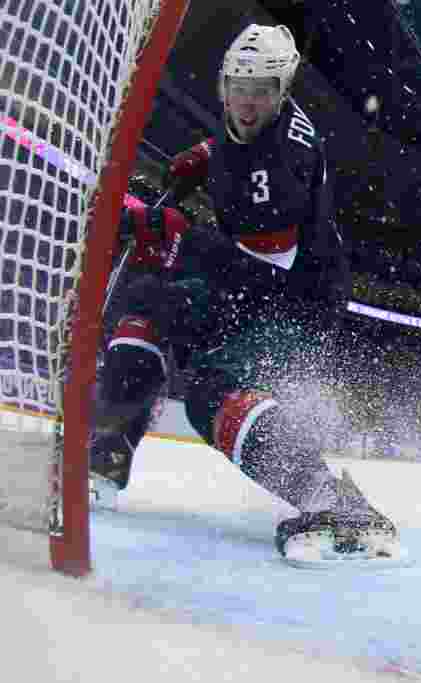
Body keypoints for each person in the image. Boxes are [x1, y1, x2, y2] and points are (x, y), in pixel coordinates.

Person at [90, 24, 400, 565]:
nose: (247, 101)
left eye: (262, 90)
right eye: (238, 85)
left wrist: (179, 234)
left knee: (212, 392)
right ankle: (107, 453)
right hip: (262, 286)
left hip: (294, 303)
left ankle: (334, 501)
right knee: (146, 304)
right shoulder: (252, 128)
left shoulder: (278, 170)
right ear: (223, 83)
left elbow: (259, 275)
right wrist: (207, 154)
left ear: (282, 90)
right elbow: (236, 141)